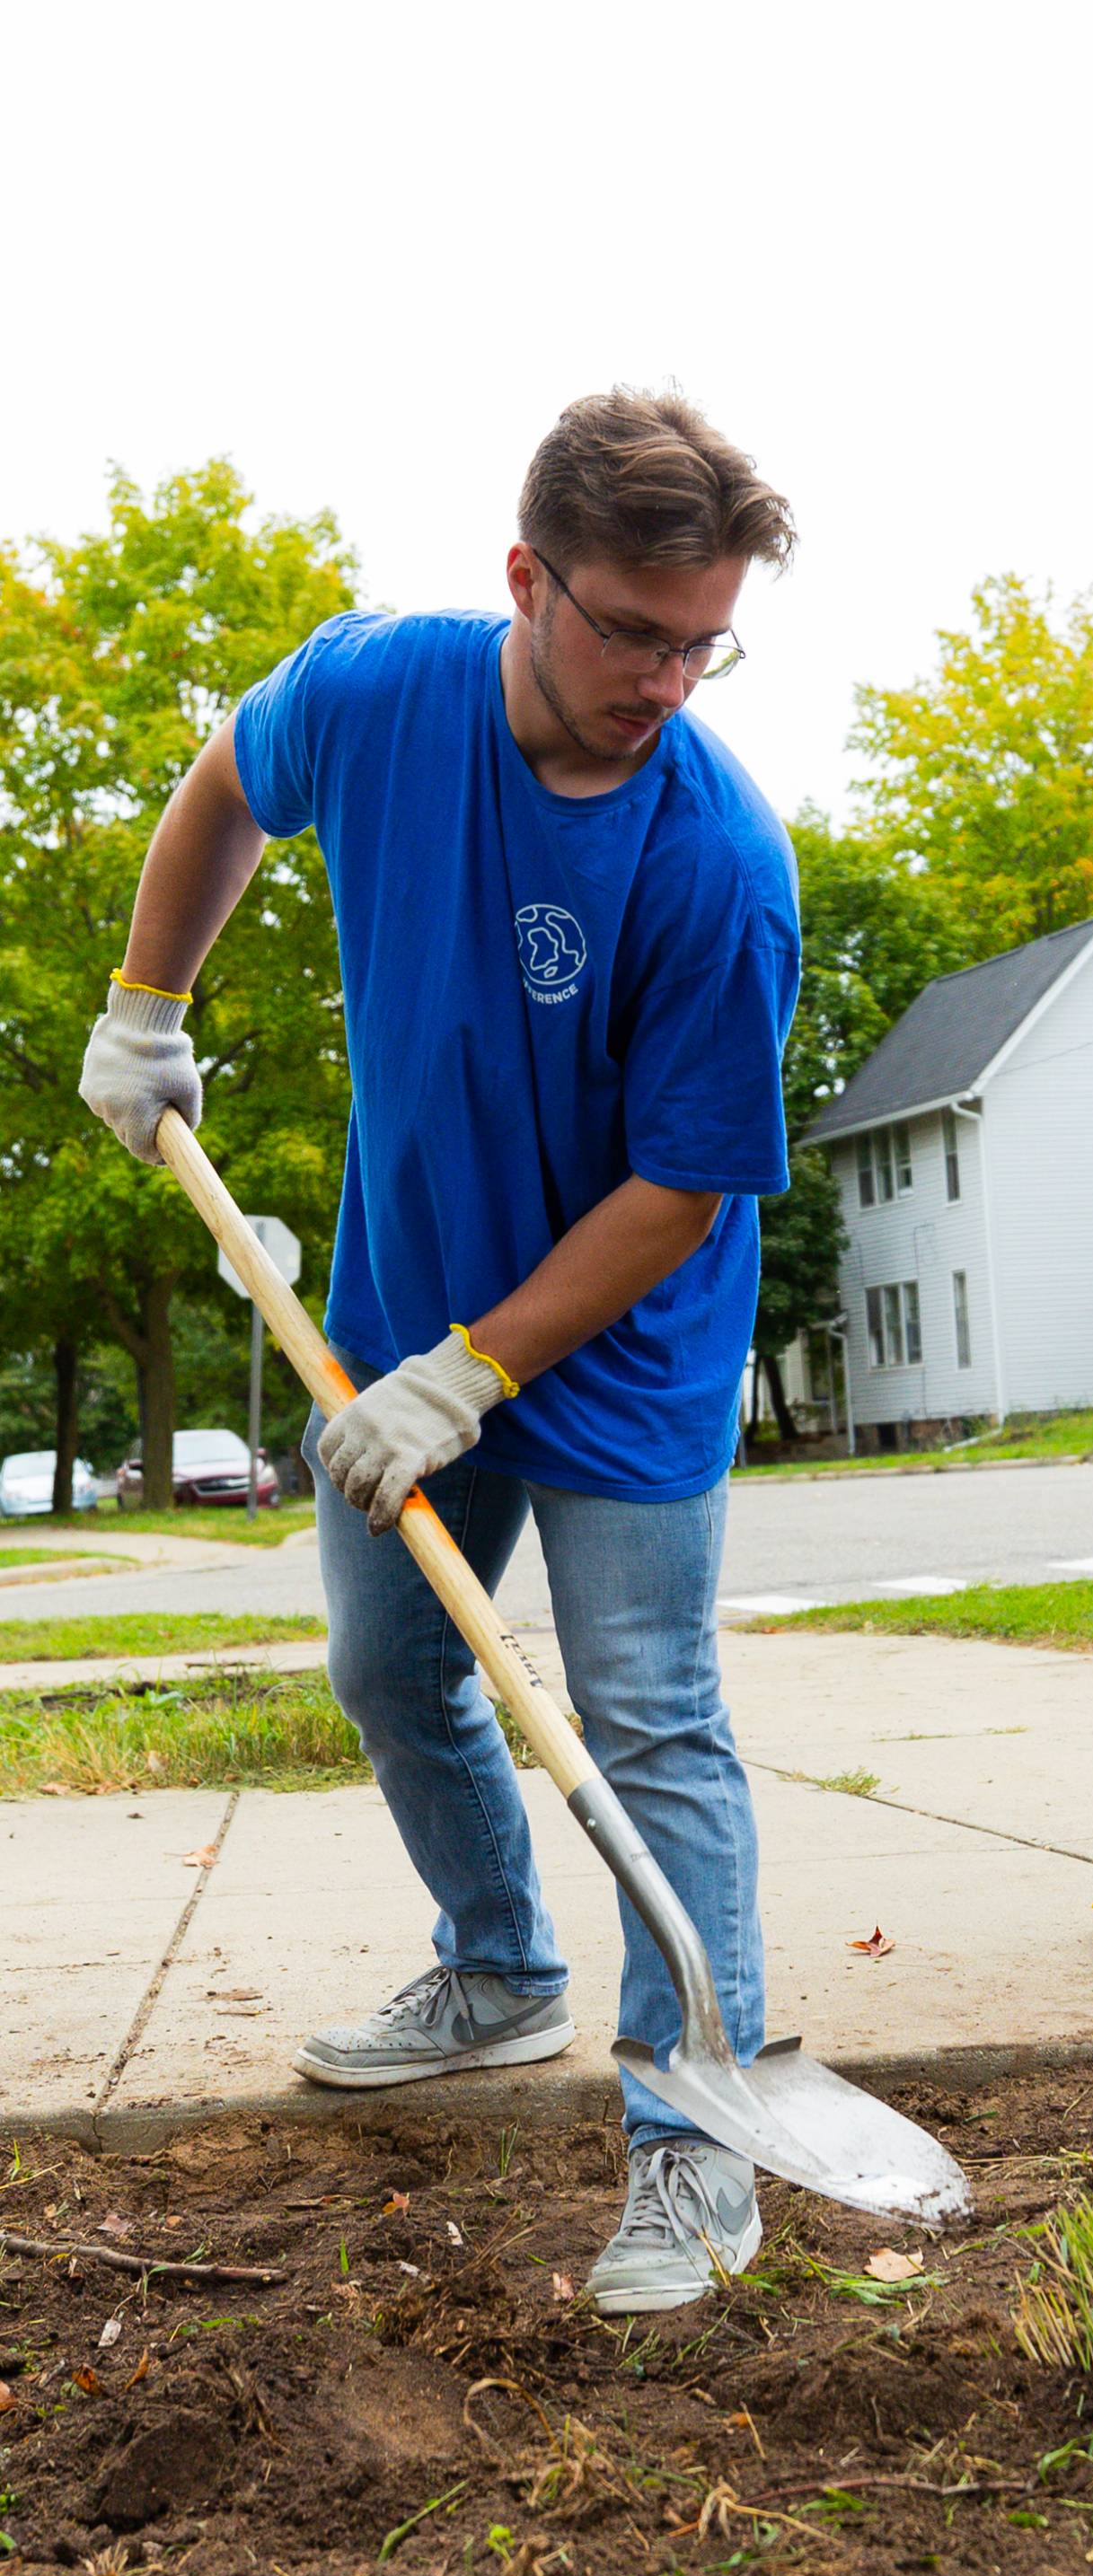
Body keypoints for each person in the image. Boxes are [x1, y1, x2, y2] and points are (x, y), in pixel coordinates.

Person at [79, 389, 801, 2309]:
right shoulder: (384, 695)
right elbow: (228, 778)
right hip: (398, 1311)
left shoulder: (717, 860)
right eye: (634, 628)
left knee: (645, 1716)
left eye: (702, 637)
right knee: (394, 1667)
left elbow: (682, 1189)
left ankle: (696, 2140)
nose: (668, 675)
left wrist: (481, 1370)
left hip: (623, 1348)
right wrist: (153, 1001)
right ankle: (497, 1965)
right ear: (524, 579)